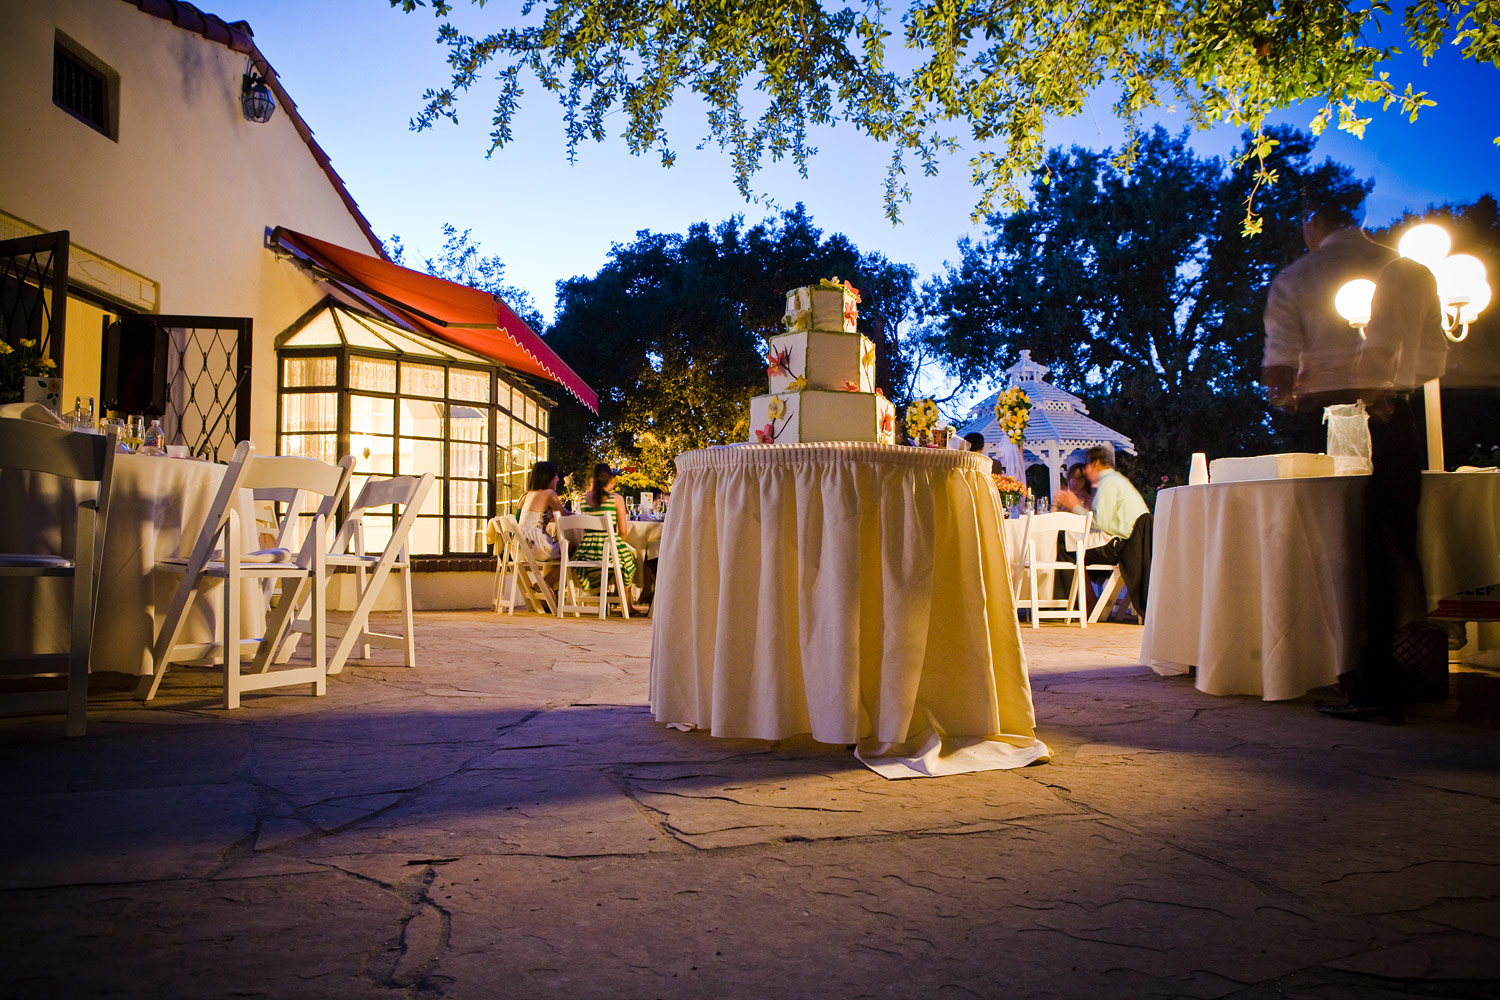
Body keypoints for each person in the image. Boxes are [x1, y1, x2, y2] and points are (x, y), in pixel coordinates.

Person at [1314, 252, 1447, 723]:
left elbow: (1380, 351)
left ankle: (1379, 688)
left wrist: (1376, 391)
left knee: (1379, 556)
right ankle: (1391, 683)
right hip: (1401, 417)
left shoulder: (1399, 278)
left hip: (1393, 420)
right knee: (1393, 548)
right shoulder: (1419, 282)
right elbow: (1436, 359)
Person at [1262, 190, 1395, 452]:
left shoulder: (1295, 279)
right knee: (1395, 492)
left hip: (1320, 417)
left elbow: (1278, 372)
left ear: (1313, 221)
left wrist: (1287, 396)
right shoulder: (1400, 266)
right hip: (1392, 412)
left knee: (1319, 492)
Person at [1054, 445, 1151, 619]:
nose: (1086, 472)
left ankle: (1076, 607)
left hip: (1117, 545)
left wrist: (1074, 506)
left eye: (1087, 467)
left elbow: (1100, 522)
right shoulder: (1118, 480)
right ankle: (1084, 603)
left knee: (1064, 544)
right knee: (1071, 543)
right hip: (1129, 543)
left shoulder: (1108, 483)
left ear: (1096, 464)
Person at [575, 463, 654, 612]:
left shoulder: (584, 499)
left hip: (586, 552)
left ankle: (601, 600)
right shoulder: (616, 499)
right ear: (610, 479)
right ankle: (627, 603)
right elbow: (623, 531)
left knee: (621, 556)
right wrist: (615, 544)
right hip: (608, 547)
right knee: (629, 559)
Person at [516, 460, 566, 589]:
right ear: (548, 477)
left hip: (520, 545)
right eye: (556, 475)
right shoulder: (549, 494)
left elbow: (529, 517)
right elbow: (565, 515)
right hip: (536, 543)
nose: (558, 479)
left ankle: (548, 593)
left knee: (559, 554)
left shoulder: (526, 495)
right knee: (571, 553)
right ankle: (544, 585)